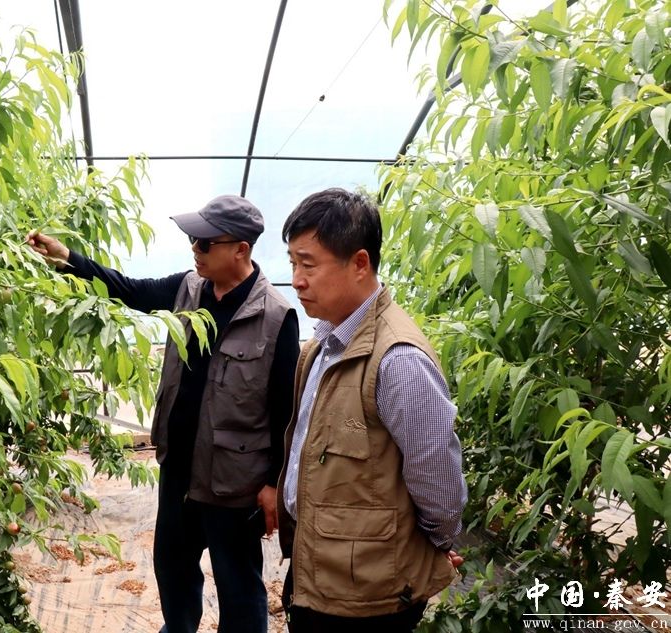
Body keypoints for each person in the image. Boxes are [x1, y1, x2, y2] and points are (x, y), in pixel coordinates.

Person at [28, 195, 300, 633]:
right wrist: (69, 259)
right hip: (179, 471)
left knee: (239, 586)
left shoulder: (276, 317)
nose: (194, 248)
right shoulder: (187, 288)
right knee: (173, 570)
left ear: (241, 250)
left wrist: (273, 483)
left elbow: (286, 412)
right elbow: (128, 289)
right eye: (193, 239)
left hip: (234, 482)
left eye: (205, 242)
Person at [277, 188, 467, 632]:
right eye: (292, 264)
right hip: (320, 572)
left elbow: (438, 483)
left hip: (369, 597)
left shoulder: (398, 360)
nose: (297, 280)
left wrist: (431, 546)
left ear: (360, 263)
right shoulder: (322, 345)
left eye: (308, 264)